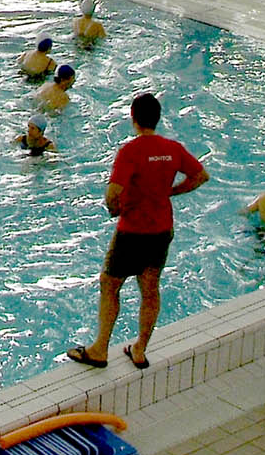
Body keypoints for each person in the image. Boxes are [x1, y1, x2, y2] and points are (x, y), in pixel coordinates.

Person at [68, 91, 208, 371]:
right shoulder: (173, 148)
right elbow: (200, 176)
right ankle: (140, 349)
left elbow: (112, 193)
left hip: (132, 231)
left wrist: (114, 210)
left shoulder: (130, 152)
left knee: (110, 284)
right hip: (161, 229)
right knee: (150, 287)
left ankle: (100, 349)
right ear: (157, 119)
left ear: (133, 119)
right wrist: (171, 192)